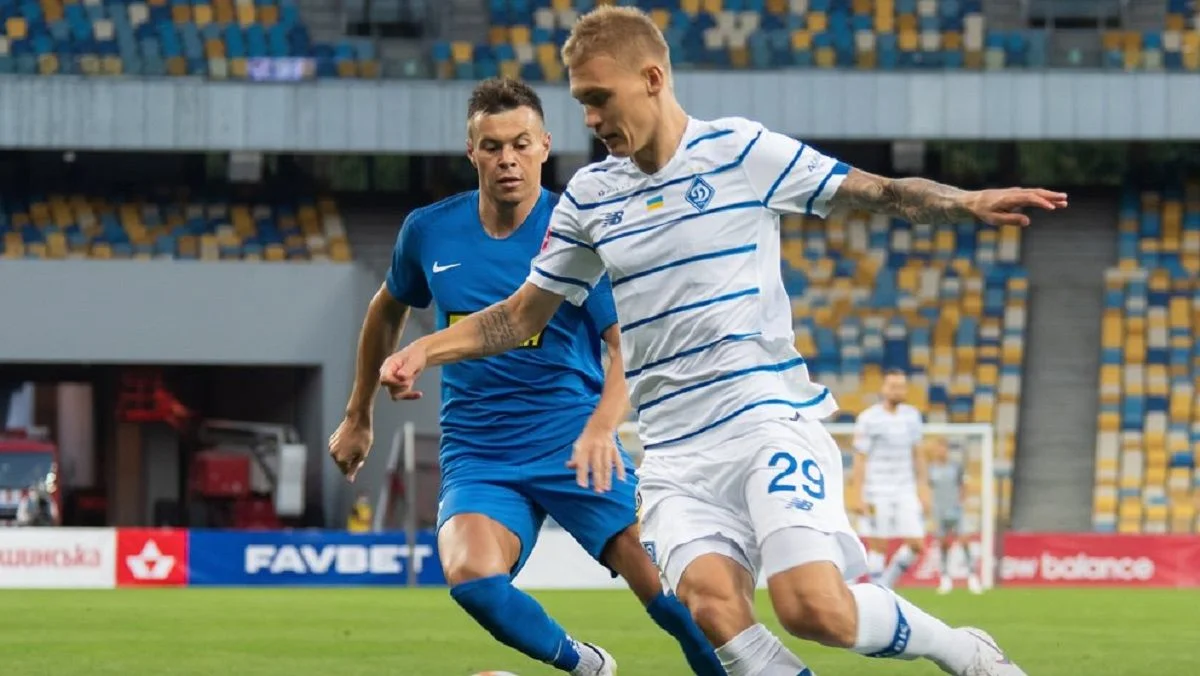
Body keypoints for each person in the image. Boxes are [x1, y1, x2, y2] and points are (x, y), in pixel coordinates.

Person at [370, 9, 1067, 674]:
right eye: (582, 102)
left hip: (764, 422)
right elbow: (520, 315)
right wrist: (423, 351)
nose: (590, 119)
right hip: (674, 454)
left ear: (652, 79)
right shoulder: (589, 196)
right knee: (711, 610)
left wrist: (966, 201)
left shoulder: (741, 152)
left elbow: (876, 192)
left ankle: (960, 650)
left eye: (599, 99)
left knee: (812, 608)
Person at [328, 77, 722, 676]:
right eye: (492, 147)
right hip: (479, 450)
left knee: (673, 598)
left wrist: (602, 427)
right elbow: (386, 308)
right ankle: (587, 665)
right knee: (471, 578)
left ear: (544, 145)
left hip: (574, 442)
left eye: (519, 144)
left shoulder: (581, 229)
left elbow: (627, 347)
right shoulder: (429, 231)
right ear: (472, 153)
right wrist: (359, 415)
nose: (507, 159)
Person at [849, 370, 930, 589]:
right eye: (893, 386)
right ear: (883, 389)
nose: (897, 391)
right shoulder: (868, 418)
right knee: (879, 545)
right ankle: (879, 591)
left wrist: (923, 489)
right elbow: (860, 458)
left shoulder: (912, 416)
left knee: (917, 544)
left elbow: (918, 455)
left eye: (901, 387)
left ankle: (884, 585)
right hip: (876, 490)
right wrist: (857, 495)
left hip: (905, 489)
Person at [926, 436, 983, 595]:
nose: (941, 451)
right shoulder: (931, 469)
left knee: (964, 540)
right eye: (938, 448)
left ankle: (972, 577)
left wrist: (960, 503)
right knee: (943, 543)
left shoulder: (955, 467)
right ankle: (945, 578)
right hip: (939, 511)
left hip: (956, 509)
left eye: (944, 448)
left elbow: (963, 486)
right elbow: (927, 489)